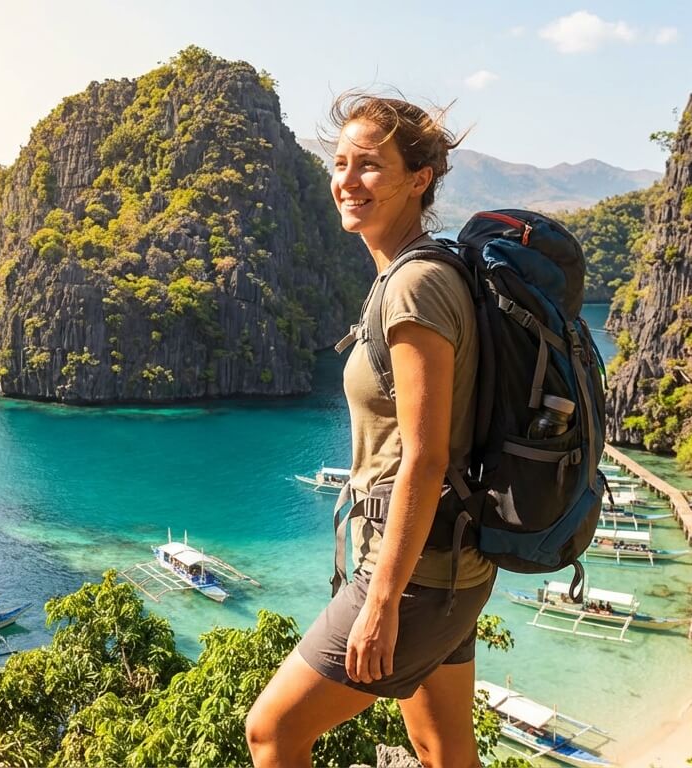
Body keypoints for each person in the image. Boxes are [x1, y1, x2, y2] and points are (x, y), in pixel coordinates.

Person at [245, 93, 496, 768]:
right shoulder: (418, 272)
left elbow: (425, 456)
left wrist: (380, 601)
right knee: (442, 749)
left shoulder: (415, 287)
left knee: (272, 734)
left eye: (370, 165)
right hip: (450, 561)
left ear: (419, 179)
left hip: (414, 573)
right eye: (340, 163)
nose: (347, 180)